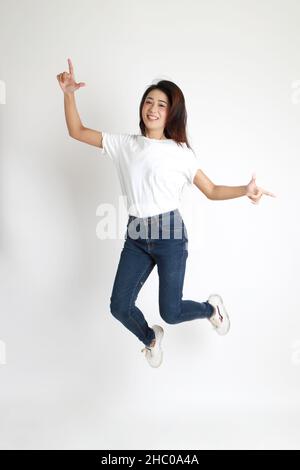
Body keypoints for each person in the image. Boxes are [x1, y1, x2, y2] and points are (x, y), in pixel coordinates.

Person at [57, 58, 276, 368]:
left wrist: (245, 189)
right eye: (149, 101)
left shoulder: (181, 153)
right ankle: (150, 338)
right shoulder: (125, 144)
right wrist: (68, 94)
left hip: (170, 236)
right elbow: (77, 131)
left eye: (161, 104)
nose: (153, 108)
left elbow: (211, 190)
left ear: (170, 113)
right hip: (136, 236)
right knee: (119, 306)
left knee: (170, 313)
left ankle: (211, 309)